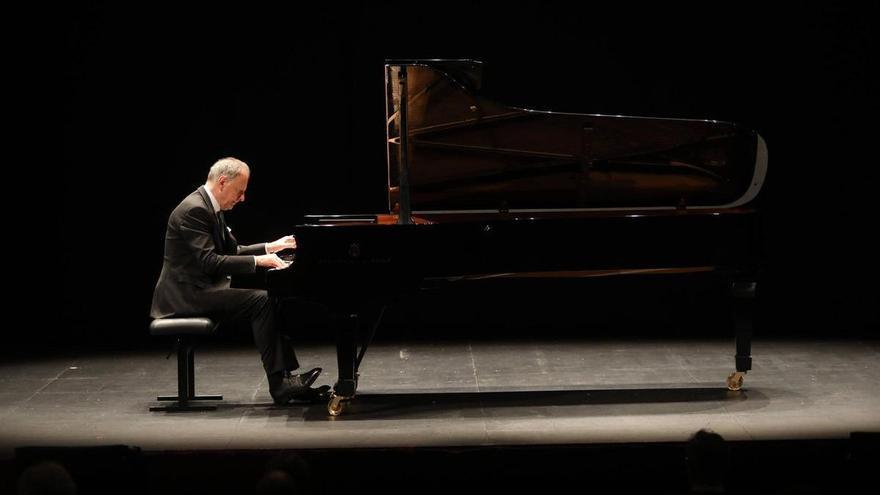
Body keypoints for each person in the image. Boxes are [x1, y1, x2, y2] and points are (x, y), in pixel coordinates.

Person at [150, 156, 323, 405]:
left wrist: (270, 247)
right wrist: (261, 262)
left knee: (268, 299)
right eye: (239, 191)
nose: (242, 198)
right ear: (222, 182)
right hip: (185, 295)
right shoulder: (194, 210)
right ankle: (280, 384)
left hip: (201, 289)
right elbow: (210, 261)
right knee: (262, 301)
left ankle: (284, 378)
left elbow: (232, 251)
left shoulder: (211, 208)